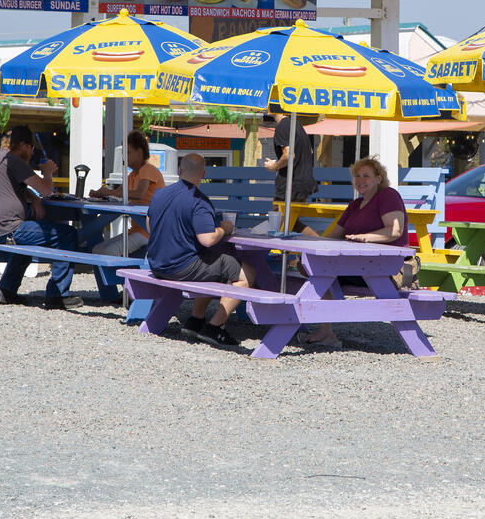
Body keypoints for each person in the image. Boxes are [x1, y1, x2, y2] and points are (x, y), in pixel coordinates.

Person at [300, 157, 414, 348]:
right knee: (311, 268)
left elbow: (395, 231)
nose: (361, 180)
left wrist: (365, 237)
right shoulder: (354, 205)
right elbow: (331, 237)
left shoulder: (387, 195)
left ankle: (310, 324)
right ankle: (326, 331)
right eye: (357, 176)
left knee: (320, 270)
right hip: (359, 266)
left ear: (379, 178)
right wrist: (307, 237)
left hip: (388, 268)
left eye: (366, 176)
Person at [145, 152, 255, 348]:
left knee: (212, 261)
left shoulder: (159, 194)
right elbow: (207, 239)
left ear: (180, 171)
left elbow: (150, 227)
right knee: (246, 272)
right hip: (180, 268)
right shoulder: (199, 201)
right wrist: (225, 229)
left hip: (156, 264)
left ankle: (196, 320)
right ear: (203, 173)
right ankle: (215, 327)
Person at [0, 124, 81, 309]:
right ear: (23, 145)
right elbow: (46, 189)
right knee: (68, 234)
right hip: (7, 229)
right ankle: (58, 295)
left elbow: (15, 188)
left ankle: (6, 290)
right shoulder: (14, 161)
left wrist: (33, 197)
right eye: (31, 148)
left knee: (27, 240)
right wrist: (47, 171)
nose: (31, 153)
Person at [87, 130, 165, 257]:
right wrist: (102, 193)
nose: (124, 157)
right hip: (137, 229)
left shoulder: (148, 169)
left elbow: (139, 193)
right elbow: (118, 192)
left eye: (128, 153)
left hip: (150, 231)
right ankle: (113, 277)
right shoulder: (132, 175)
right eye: (124, 153)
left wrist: (109, 192)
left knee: (108, 251)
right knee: (97, 249)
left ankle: (120, 277)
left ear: (139, 152)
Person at [264, 105, 318, 235]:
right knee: (291, 223)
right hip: (303, 181)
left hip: (290, 183)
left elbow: (289, 155)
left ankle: (321, 244)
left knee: (280, 222)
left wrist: (274, 166)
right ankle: (301, 253)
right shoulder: (296, 125)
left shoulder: (282, 126)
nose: (264, 107)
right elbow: (309, 151)